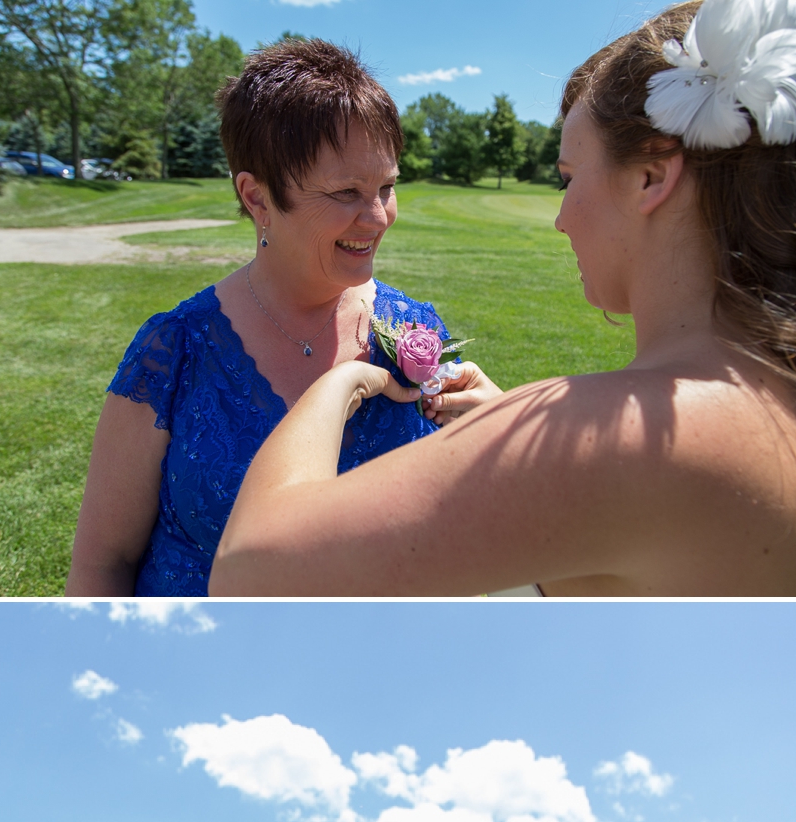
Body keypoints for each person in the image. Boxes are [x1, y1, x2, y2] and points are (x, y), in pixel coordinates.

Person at [211, 0, 796, 595]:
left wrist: (343, 381)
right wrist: (509, 434)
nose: (562, 219)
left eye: (567, 178)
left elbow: (249, 570)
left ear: (650, 176)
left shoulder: (621, 437)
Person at [66, 39, 495, 598]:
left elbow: (458, 530)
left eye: (387, 187)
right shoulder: (174, 350)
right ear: (257, 198)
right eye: (346, 192)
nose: (377, 217)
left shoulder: (415, 328)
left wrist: (493, 435)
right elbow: (103, 565)